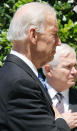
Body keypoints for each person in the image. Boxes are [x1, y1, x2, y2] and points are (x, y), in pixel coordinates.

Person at [0, 2, 70, 131]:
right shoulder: (20, 83)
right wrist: (61, 119)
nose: (59, 42)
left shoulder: (14, 73)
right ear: (33, 35)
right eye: (54, 34)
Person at [43, 44, 77, 131]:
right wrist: (60, 124)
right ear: (48, 70)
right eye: (68, 67)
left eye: (75, 66)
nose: (74, 71)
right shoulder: (32, 99)